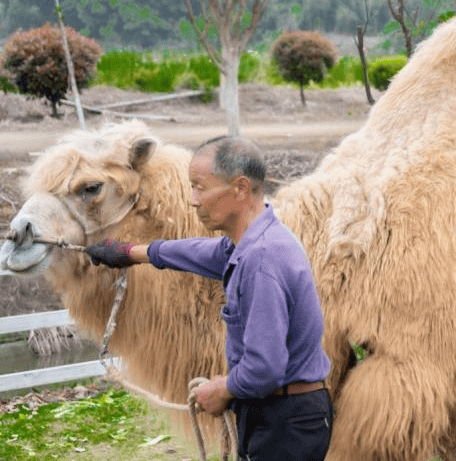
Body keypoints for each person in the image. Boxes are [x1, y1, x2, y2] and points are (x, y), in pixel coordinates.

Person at [85, 135, 332, 461]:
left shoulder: (261, 261)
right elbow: (205, 252)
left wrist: (223, 389)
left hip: (284, 418)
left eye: (201, 187)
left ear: (240, 188)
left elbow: (265, 369)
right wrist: (133, 253)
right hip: (279, 410)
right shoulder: (255, 238)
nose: (193, 200)